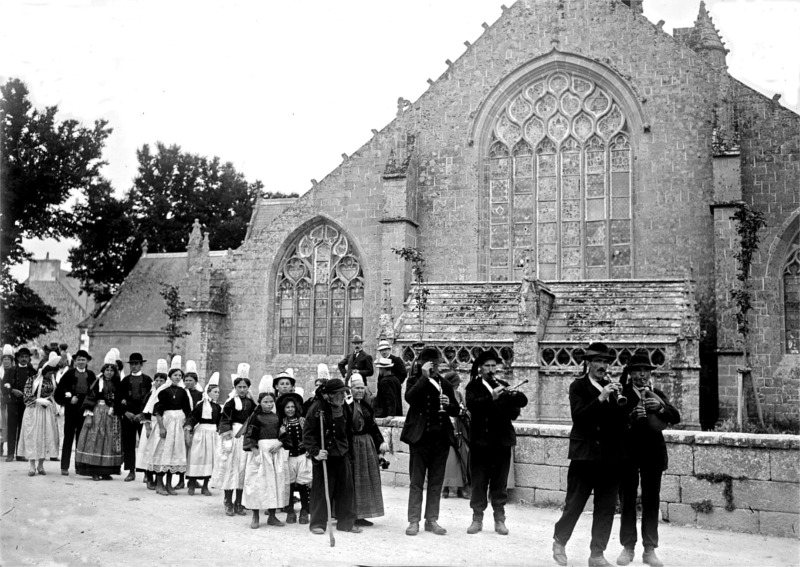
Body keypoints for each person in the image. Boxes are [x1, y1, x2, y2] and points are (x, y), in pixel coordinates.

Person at [552, 342, 629, 567]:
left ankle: (597, 554)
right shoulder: (578, 387)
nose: (602, 366)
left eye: (605, 362)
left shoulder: (614, 388)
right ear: (589, 363)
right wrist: (601, 398)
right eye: (598, 361)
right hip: (585, 456)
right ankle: (560, 540)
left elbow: (622, 423)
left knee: (606, 508)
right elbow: (579, 418)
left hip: (610, 458)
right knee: (574, 504)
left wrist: (621, 402)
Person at [616, 353, 681, 567]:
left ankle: (649, 549)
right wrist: (630, 418)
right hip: (627, 455)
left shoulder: (656, 394)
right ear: (631, 373)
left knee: (651, 501)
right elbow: (613, 425)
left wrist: (660, 408)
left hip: (652, 455)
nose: (642, 374)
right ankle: (628, 547)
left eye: (646, 370)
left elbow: (676, 416)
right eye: (637, 370)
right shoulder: (621, 394)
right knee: (627, 500)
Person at [465, 351, 528, 535]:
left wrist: (512, 397)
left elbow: (515, 412)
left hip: (501, 442)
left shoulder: (503, 385)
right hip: (480, 443)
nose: (491, 369)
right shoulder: (473, 387)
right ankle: (477, 518)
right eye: (487, 366)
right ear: (480, 368)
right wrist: (491, 397)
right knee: (479, 481)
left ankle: (499, 519)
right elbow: (473, 407)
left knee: (500, 483)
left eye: (494, 366)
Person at [400, 347, 460, 536]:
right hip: (419, 439)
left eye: (437, 364)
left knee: (436, 482)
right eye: (431, 364)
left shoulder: (444, 383)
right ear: (421, 363)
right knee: (416, 482)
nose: (435, 367)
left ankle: (432, 520)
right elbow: (409, 398)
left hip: (440, 439)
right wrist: (424, 378)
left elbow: (456, 410)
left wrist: (448, 403)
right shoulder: (413, 380)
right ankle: (414, 521)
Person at [303, 378, 362, 535]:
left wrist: (349, 452)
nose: (343, 396)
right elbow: (308, 434)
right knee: (322, 490)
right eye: (339, 393)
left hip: (342, 453)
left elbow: (348, 431)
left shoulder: (345, 408)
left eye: (344, 392)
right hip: (324, 455)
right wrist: (315, 451)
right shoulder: (317, 408)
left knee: (346, 489)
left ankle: (346, 523)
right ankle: (318, 523)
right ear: (329, 395)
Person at [241, 390, 290, 529]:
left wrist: (280, 443)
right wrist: (256, 453)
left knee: (274, 483)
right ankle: (255, 516)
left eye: (271, 402)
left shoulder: (277, 417)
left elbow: (284, 434)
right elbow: (250, 436)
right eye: (265, 402)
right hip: (261, 452)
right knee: (258, 483)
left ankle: (272, 516)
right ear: (260, 403)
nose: (269, 404)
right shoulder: (256, 417)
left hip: (275, 451)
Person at [213, 364, 256, 516]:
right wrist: (227, 435)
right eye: (239, 386)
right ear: (235, 387)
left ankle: (239, 502)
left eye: (245, 386)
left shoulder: (251, 403)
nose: (242, 389)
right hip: (233, 437)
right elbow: (224, 420)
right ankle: (228, 501)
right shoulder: (231, 402)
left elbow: (254, 420)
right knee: (231, 469)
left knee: (243, 470)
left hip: (245, 438)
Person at [75, 350, 124, 481]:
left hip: (111, 416)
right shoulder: (98, 382)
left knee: (109, 441)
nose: (109, 372)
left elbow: (119, 399)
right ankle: (94, 471)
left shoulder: (117, 383)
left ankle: (106, 471)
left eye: (112, 370)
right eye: (107, 370)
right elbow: (90, 398)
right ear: (103, 370)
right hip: (98, 413)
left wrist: (115, 408)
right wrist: (89, 415)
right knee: (95, 440)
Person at [147, 356, 192, 495]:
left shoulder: (183, 392)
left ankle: (169, 485)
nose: (178, 377)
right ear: (170, 376)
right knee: (163, 452)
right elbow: (158, 411)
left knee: (174, 453)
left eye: (180, 375)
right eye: (175, 375)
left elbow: (188, 410)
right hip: (166, 423)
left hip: (178, 425)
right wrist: (161, 427)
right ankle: (159, 484)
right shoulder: (164, 391)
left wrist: (187, 426)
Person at [349, 374, 388, 527]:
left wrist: (380, 442)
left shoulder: (366, 406)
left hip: (366, 445)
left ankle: (362, 514)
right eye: (356, 388)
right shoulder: (347, 406)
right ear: (350, 389)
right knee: (353, 480)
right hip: (353, 444)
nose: (359, 391)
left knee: (366, 480)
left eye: (361, 388)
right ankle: (350, 513)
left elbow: (372, 426)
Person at [17, 353, 61, 475]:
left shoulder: (51, 380)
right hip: (33, 411)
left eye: (52, 373)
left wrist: (52, 402)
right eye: (49, 372)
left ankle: (41, 465)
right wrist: (37, 400)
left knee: (44, 436)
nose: (51, 375)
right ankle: (32, 466)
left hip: (46, 411)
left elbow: (53, 394)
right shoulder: (32, 379)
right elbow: (26, 396)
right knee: (33, 436)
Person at [54, 349, 95, 475]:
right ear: (75, 361)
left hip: (85, 411)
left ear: (87, 361)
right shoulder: (69, 374)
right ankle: (64, 466)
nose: (81, 362)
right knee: (68, 438)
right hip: (71, 411)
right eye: (78, 360)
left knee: (82, 439)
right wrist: (68, 399)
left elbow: (94, 394)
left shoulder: (91, 375)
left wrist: (90, 409)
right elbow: (58, 393)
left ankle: (79, 466)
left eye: (83, 359)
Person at [185, 372, 222, 496]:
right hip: (201, 434)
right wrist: (188, 428)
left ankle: (205, 486)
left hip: (212, 435)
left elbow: (220, 422)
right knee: (197, 457)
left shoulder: (218, 407)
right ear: (208, 392)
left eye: (218, 392)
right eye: (215, 392)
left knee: (210, 460)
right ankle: (191, 484)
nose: (217, 394)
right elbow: (192, 418)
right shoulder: (201, 405)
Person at [277, 392, 311, 524]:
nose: (290, 409)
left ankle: (304, 510)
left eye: (292, 407)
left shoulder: (302, 421)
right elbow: (280, 440)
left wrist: (308, 448)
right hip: (288, 456)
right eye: (287, 407)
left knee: (303, 483)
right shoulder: (282, 423)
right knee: (289, 484)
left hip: (302, 455)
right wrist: (282, 435)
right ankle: (290, 509)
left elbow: (308, 436)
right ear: (283, 409)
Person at [118, 352, 152, 482]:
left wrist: (142, 414)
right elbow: (118, 399)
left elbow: (150, 399)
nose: (134, 366)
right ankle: (131, 471)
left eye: (136, 364)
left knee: (144, 444)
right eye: (132, 364)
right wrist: (125, 412)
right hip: (128, 416)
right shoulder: (125, 381)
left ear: (141, 365)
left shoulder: (148, 380)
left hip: (142, 415)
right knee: (129, 444)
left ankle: (145, 473)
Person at [136, 360, 168, 489]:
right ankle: (149, 477)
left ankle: (159, 479)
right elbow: (144, 412)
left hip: (162, 426)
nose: (159, 383)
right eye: (157, 380)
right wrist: (147, 427)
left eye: (162, 380)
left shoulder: (167, 394)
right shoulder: (150, 394)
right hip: (150, 426)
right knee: (149, 451)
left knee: (160, 453)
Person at [3, 347, 38, 462]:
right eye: (21, 357)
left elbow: (37, 387)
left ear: (29, 359)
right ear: (17, 358)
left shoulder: (33, 372)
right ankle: (10, 454)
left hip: (27, 404)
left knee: (24, 429)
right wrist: (12, 391)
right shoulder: (11, 370)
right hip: (13, 403)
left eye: (26, 357)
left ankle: (20, 454)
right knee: (12, 428)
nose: (24, 359)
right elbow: (4, 384)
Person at [442, 363, 469, 500]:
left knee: (462, 459)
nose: (457, 386)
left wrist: (464, 412)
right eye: (455, 384)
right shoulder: (443, 395)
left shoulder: (459, 395)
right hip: (447, 432)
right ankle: (445, 488)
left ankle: (461, 487)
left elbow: (464, 410)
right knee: (450, 460)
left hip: (459, 430)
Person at [0, 344, 16, 457]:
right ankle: (0, 446)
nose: (6, 362)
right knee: (1, 424)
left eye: (8, 359)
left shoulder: (14, 371)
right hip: (0, 401)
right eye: (4, 359)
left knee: (10, 424)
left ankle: (11, 449)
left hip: (11, 402)